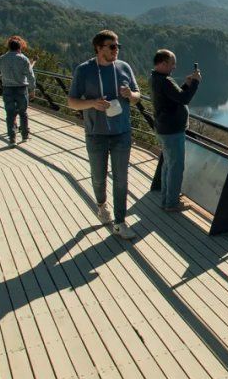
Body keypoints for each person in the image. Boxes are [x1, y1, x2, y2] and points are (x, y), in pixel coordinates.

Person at [68, 30, 142, 240]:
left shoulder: (124, 67)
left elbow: (138, 96)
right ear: (99, 48)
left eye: (118, 46)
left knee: (121, 179)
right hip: (96, 134)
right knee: (99, 178)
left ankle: (120, 222)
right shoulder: (84, 70)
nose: (116, 49)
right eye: (112, 46)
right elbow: (72, 102)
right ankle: (102, 205)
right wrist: (92, 103)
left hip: (122, 132)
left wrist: (131, 95)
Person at [150, 49, 201, 212]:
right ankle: (171, 203)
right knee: (176, 166)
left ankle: (166, 198)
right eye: (172, 63)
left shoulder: (155, 78)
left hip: (164, 128)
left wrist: (186, 84)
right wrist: (196, 83)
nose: (174, 67)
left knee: (168, 165)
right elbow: (184, 99)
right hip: (172, 131)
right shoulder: (165, 80)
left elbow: (174, 97)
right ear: (164, 63)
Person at [0, 35, 36, 146]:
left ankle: (12, 139)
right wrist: (32, 89)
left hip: (7, 89)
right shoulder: (24, 59)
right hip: (21, 89)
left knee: (10, 114)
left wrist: (4, 77)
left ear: (9, 47)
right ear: (19, 48)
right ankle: (25, 135)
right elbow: (31, 76)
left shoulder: (2, 58)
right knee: (23, 113)